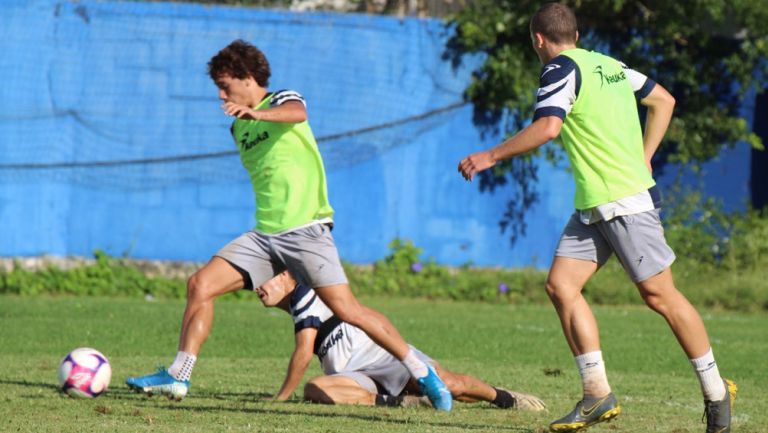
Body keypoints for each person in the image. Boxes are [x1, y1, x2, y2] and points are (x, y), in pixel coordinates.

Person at [126, 39, 452, 411]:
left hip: (305, 231)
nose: (220, 93)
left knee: (347, 310)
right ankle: (178, 376)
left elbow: (298, 114)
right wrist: (247, 120)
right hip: (265, 236)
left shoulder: (282, 100)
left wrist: (258, 115)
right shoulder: (237, 129)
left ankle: (421, 371)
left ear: (247, 77)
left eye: (224, 83)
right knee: (200, 285)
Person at [458, 4, 735, 433]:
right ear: (577, 33)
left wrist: (490, 155)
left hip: (623, 202)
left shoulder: (558, 69)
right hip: (595, 204)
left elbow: (548, 128)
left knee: (660, 296)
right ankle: (596, 394)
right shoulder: (608, 65)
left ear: (538, 39)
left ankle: (716, 393)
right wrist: (644, 157)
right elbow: (664, 100)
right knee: (561, 286)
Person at [257, 271, 546, 411]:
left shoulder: (304, 293)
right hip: (354, 374)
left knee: (452, 386)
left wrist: (280, 399)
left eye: (263, 280)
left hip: (384, 356)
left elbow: (303, 353)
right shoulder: (297, 305)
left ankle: (505, 398)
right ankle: (402, 403)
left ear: (285, 276)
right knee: (316, 389)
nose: (257, 288)